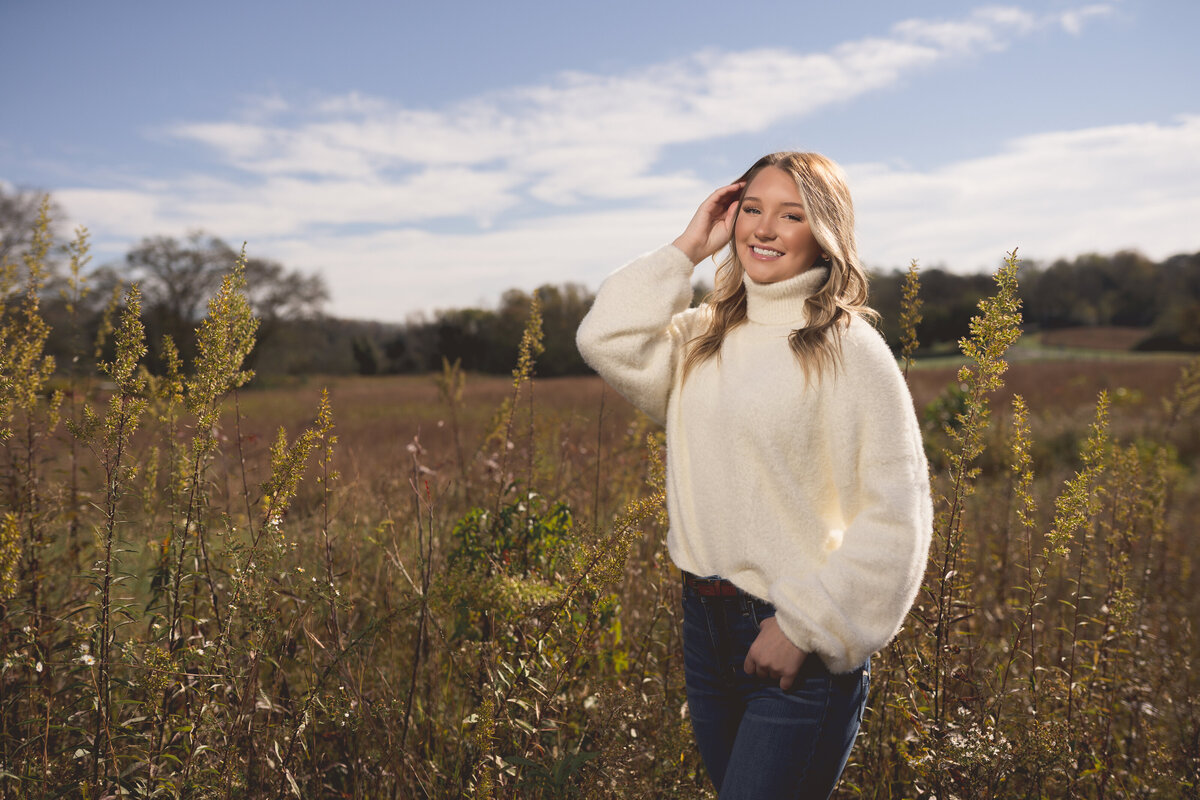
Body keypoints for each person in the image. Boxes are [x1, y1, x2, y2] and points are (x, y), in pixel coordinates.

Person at [575, 151, 932, 799]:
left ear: (823, 232)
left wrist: (800, 626)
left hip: (797, 640)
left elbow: (898, 514)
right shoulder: (703, 337)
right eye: (752, 209)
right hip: (705, 626)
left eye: (790, 215)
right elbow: (609, 338)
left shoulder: (847, 347)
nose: (764, 230)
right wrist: (687, 247)